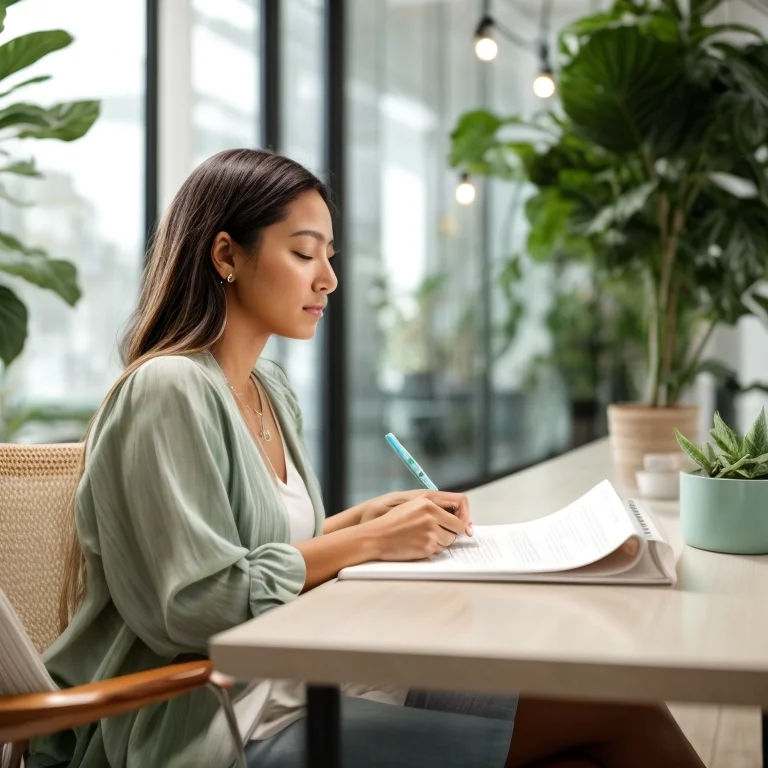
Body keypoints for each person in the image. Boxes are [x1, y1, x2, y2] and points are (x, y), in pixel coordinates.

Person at [30, 149, 704, 768]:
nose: (328, 278)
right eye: (303, 253)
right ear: (226, 255)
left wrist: (357, 525)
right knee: (614, 720)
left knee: (612, 713)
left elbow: (261, 553)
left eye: (330, 255)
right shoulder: (168, 389)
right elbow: (198, 602)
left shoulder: (269, 390)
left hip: (300, 680)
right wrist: (364, 543)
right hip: (211, 723)